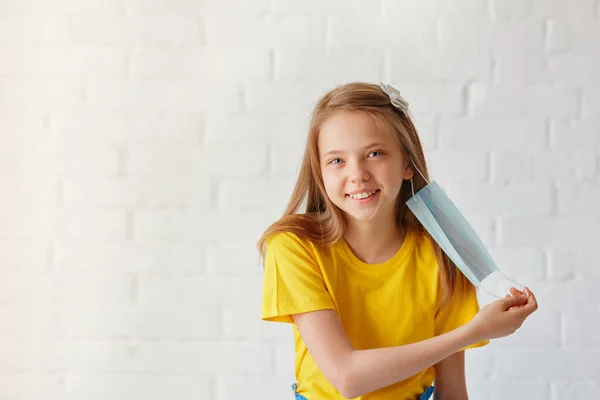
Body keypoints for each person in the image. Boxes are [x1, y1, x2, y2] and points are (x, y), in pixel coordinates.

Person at [257, 82, 538, 400]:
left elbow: (453, 392)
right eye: (337, 160)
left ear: (407, 164)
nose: (358, 174)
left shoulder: (443, 254)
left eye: (375, 154)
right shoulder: (294, 247)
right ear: (319, 172)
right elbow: (347, 378)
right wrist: (475, 331)